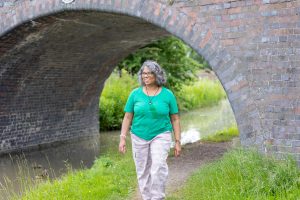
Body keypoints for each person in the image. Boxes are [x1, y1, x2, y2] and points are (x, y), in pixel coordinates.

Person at [119, 60, 181, 200]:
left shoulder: (167, 94)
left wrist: (177, 141)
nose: (145, 76)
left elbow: (175, 119)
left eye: (149, 73)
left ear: (157, 75)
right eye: (143, 73)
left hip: (161, 134)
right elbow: (128, 117)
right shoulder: (135, 94)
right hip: (138, 136)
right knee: (142, 171)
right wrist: (122, 138)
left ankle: (157, 197)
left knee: (158, 167)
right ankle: (147, 197)